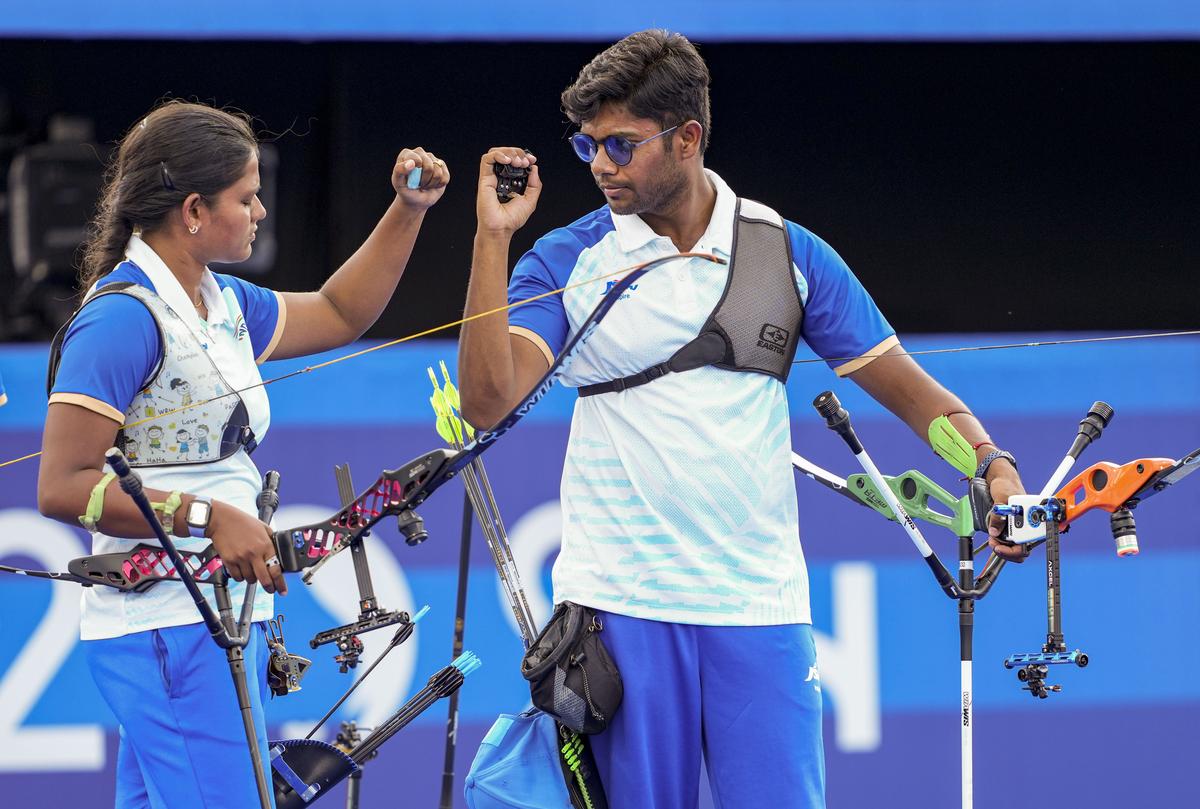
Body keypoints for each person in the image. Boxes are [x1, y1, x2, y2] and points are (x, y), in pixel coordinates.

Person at [457, 30, 1027, 809]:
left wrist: (991, 464)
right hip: (622, 608)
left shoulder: (785, 251)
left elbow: (908, 391)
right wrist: (493, 239)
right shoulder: (567, 257)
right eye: (586, 144)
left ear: (687, 137)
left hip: (760, 610)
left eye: (620, 145)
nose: (598, 165)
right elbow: (487, 403)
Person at [36, 100, 449, 808]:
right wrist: (209, 516)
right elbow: (63, 485)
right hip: (166, 625)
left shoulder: (217, 301)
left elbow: (342, 311)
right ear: (193, 209)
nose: (260, 212)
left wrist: (407, 210)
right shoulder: (122, 318)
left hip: (210, 616)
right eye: (247, 197)